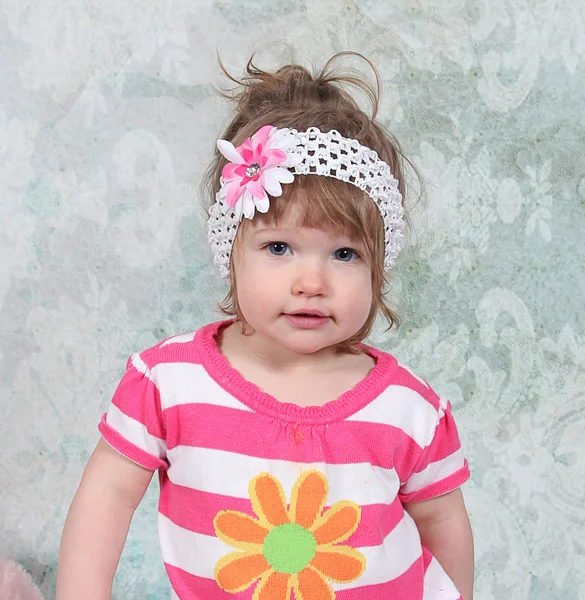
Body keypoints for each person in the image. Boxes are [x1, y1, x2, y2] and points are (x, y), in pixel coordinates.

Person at [57, 52, 474, 600]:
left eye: (345, 254)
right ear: (232, 253)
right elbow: (107, 494)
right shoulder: (168, 384)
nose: (311, 281)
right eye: (279, 247)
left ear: (379, 264)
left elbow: (444, 526)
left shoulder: (408, 409)